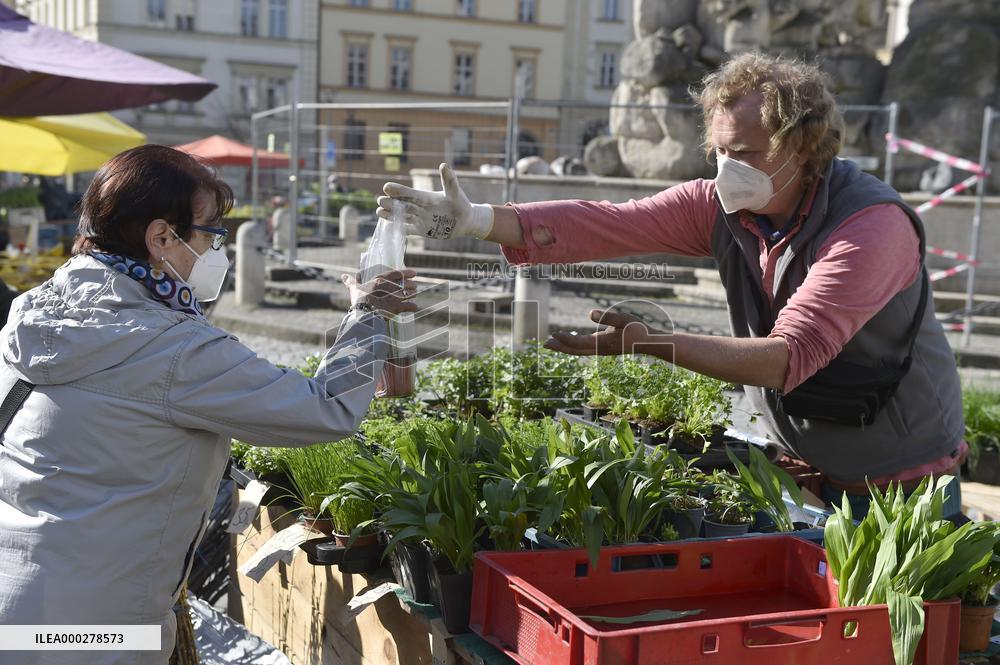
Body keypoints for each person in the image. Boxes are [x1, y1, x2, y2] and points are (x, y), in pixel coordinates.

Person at [379, 52, 966, 518]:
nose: (724, 168)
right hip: (809, 461)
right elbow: (609, 222)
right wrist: (476, 220)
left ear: (804, 147)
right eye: (718, 150)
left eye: (745, 153)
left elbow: (788, 358)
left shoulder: (870, 227)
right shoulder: (724, 205)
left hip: (902, 480)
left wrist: (651, 343)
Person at [0, 145, 416, 665]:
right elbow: (326, 407)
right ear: (160, 238)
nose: (219, 249)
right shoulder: (172, 349)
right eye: (211, 234)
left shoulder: (33, 311)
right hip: (97, 629)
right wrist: (368, 314)